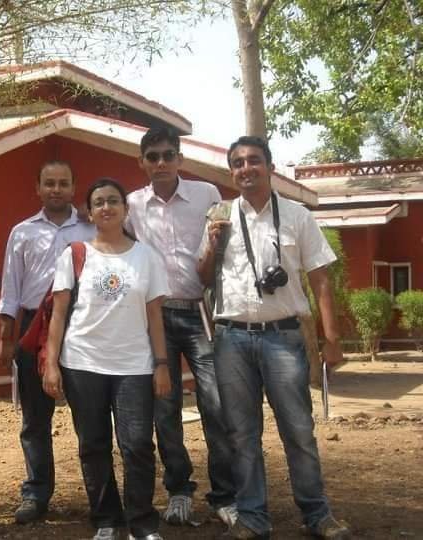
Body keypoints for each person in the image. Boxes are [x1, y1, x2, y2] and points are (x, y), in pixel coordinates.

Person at [197, 136, 351, 540]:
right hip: (231, 338)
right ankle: (252, 518)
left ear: (270, 167)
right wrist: (212, 246)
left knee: (298, 430)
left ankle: (317, 514)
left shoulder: (298, 216)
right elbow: (202, 277)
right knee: (241, 434)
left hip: (283, 336)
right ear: (232, 172)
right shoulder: (220, 215)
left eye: (254, 160)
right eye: (238, 163)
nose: (245, 168)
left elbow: (320, 279)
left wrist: (332, 339)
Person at [43, 178, 172, 540]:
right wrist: (51, 364)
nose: (106, 207)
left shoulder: (146, 257)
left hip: (134, 366)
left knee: (137, 445)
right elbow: (58, 314)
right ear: (89, 211)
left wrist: (162, 364)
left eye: (113, 201)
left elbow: (155, 316)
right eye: (98, 202)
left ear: (125, 209)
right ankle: (106, 521)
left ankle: (142, 523)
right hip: (82, 363)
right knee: (93, 445)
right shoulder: (74, 254)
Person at [126, 126, 237, 527]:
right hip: (155, 318)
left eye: (168, 155)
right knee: (165, 407)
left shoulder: (207, 195)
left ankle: (225, 494)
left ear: (180, 159)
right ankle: (178, 490)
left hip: (200, 312)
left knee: (216, 404)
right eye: (152, 156)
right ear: (142, 162)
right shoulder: (132, 205)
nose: (161, 163)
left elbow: (224, 246)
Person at [0, 160, 94, 524]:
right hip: (32, 325)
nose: (56, 189)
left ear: (74, 188)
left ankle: (99, 494)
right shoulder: (22, 232)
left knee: (89, 417)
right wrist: (7, 338)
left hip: (81, 327)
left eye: (63, 183)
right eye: (49, 183)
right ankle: (36, 493)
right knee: (35, 418)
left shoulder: (91, 228)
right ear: (37, 188)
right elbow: (10, 289)